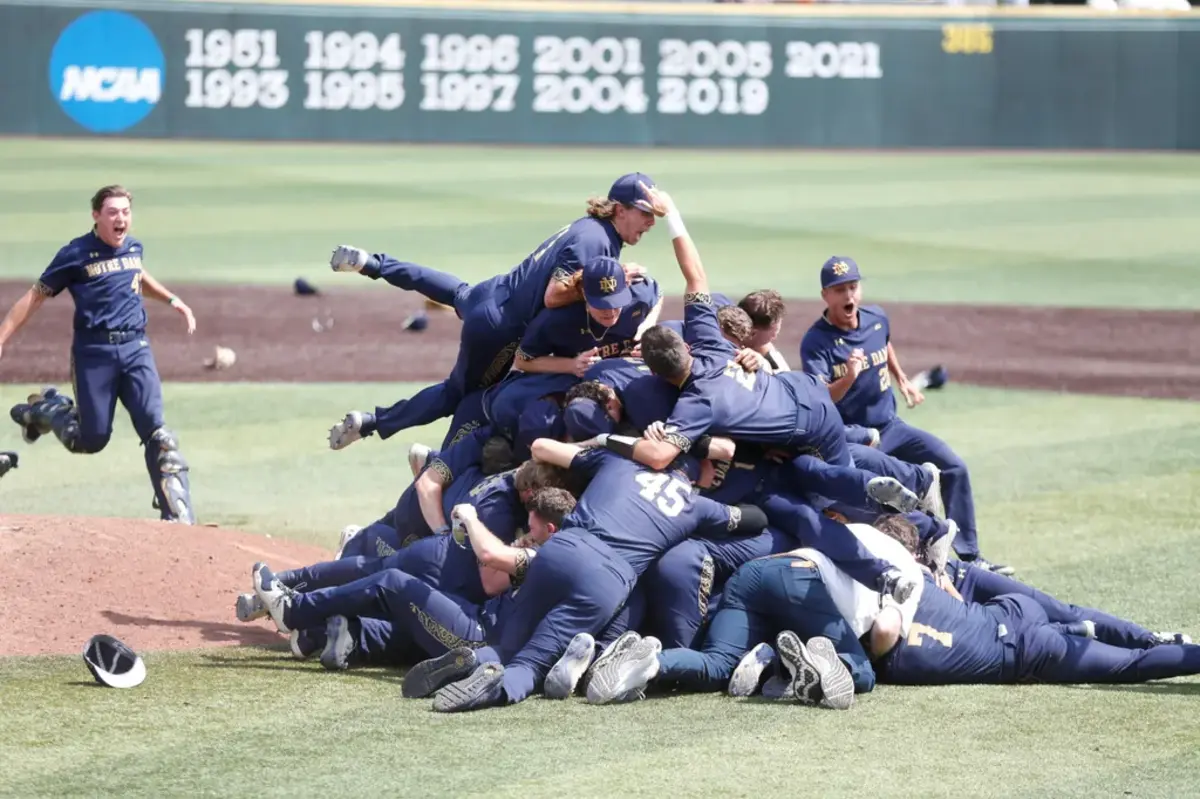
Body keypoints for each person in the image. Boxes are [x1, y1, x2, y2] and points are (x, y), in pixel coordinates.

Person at [324, 173, 666, 451]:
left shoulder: (590, 227)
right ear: (620, 210)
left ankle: (372, 264)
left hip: (495, 292)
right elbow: (553, 296)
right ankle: (374, 423)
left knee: (454, 290)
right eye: (645, 214)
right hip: (501, 331)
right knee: (457, 394)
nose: (650, 222)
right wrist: (615, 278)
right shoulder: (598, 241)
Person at [798, 256, 1009, 574]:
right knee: (885, 500)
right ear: (825, 296)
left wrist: (903, 380)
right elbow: (822, 397)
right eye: (840, 290)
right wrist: (849, 377)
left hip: (890, 425)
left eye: (853, 287)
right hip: (855, 440)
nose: (849, 296)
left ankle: (969, 558)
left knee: (954, 467)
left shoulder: (876, 318)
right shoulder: (815, 343)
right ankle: (926, 558)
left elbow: (884, 344)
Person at [1, 185, 197, 523]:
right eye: (112, 212)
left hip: (136, 349)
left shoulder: (133, 247)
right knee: (90, 439)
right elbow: (35, 296)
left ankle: (177, 517)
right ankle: (50, 410)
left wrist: (173, 300)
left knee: (159, 434)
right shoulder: (75, 254)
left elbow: (135, 273)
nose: (121, 218)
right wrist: (2, 337)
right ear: (96, 216)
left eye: (125, 211)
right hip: (94, 353)